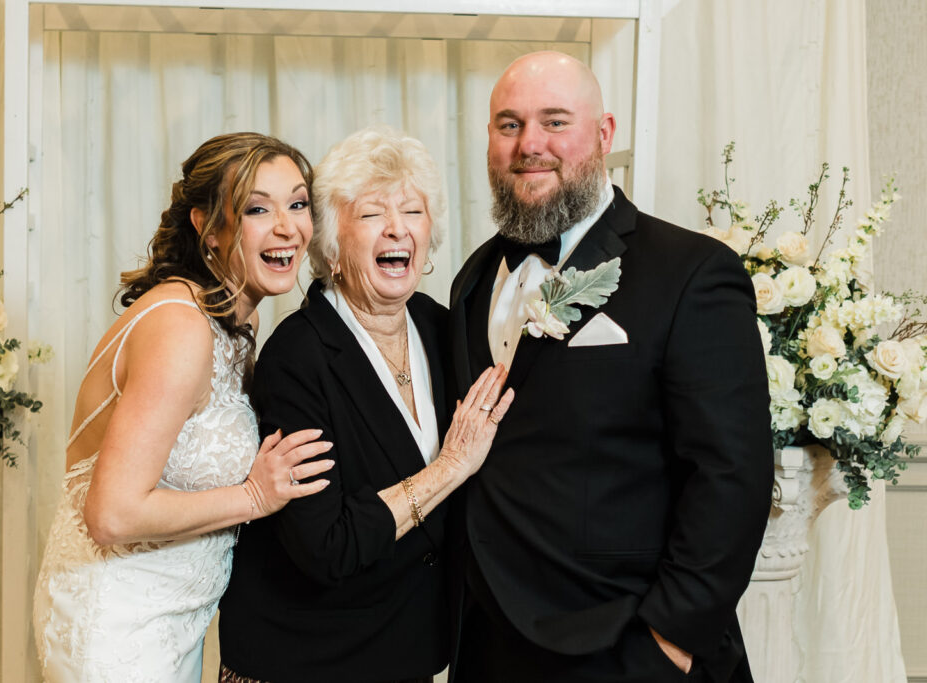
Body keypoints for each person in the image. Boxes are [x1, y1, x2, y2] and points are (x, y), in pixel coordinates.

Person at [447, 52, 774, 682]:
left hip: (624, 644)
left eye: (555, 121)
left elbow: (731, 474)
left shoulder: (693, 273)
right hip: (490, 645)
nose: (529, 145)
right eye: (508, 124)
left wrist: (668, 640)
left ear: (604, 134)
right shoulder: (472, 278)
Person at [32, 132, 335, 682]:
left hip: (174, 626)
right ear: (207, 226)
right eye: (256, 209)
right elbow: (112, 515)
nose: (288, 227)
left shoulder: (234, 319)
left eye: (297, 203)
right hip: (118, 627)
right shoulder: (181, 327)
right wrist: (254, 495)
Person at [218, 127, 514, 683]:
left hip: (411, 651)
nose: (398, 227)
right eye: (373, 214)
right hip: (307, 659)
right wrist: (450, 468)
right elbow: (325, 545)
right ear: (331, 241)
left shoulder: (440, 325)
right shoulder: (298, 357)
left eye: (413, 210)